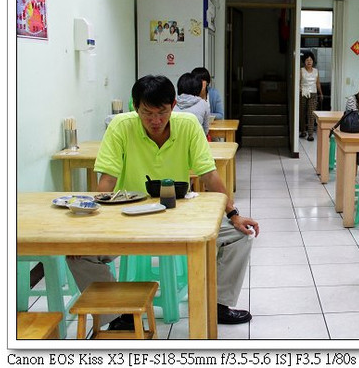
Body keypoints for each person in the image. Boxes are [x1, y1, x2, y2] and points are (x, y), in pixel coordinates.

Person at [66, 75, 259, 330]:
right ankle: (117, 316)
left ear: (174, 105)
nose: (155, 121)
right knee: (77, 254)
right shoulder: (121, 126)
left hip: (178, 215)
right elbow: (107, 181)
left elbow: (210, 175)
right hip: (128, 217)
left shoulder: (188, 125)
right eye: (147, 113)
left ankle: (218, 304)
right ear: (135, 107)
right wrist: (89, 230)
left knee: (240, 235)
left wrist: (234, 214)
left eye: (163, 112)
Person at [299, 51, 323, 141]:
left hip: (313, 93)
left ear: (313, 61)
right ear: (304, 61)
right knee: (302, 113)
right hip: (303, 93)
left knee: (311, 114)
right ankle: (303, 131)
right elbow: (298, 83)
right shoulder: (301, 70)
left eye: (311, 60)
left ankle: (310, 134)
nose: (309, 61)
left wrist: (321, 93)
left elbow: (318, 83)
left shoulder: (316, 71)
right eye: (307, 60)